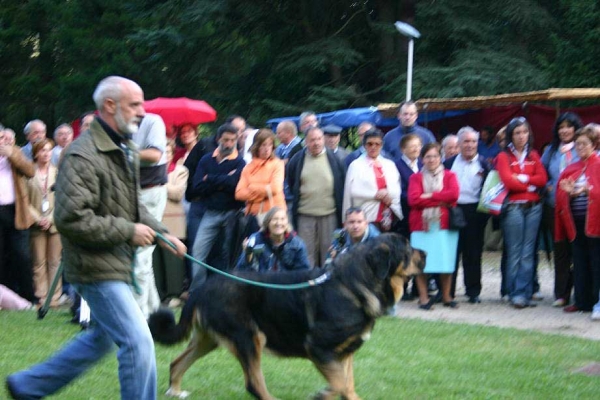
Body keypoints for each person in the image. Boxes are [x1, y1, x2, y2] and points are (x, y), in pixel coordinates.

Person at [5, 76, 186, 400]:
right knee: (138, 341)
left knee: (101, 338)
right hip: (94, 268)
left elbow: (129, 207)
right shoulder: (82, 155)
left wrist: (161, 233)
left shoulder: (124, 149)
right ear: (110, 106)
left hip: (115, 263)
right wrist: (129, 231)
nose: (142, 112)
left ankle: (28, 385)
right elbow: (72, 219)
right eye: (135, 104)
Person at [496, 117, 547, 309]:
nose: (521, 136)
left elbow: (542, 179)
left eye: (524, 132)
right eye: (517, 133)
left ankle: (524, 292)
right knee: (515, 252)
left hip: (534, 208)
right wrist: (530, 183)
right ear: (511, 135)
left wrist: (523, 178)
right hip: (513, 208)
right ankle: (513, 292)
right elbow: (508, 182)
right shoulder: (503, 157)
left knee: (528, 253)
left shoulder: (533, 155)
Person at [190, 123, 245, 290]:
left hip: (232, 214)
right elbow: (197, 187)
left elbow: (236, 185)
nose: (228, 144)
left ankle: (227, 290)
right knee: (198, 252)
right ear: (218, 139)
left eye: (232, 140)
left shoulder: (240, 162)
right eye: (226, 140)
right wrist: (223, 181)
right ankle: (196, 291)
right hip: (211, 212)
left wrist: (211, 178)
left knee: (227, 254)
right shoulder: (206, 160)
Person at [408, 142, 460, 310]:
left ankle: (446, 296)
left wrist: (429, 195)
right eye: (428, 156)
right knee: (421, 263)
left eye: (435, 156)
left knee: (446, 261)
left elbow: (453, 195)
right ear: (422, 159)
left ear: (441, 157)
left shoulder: (450, 175)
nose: (431, 159)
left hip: (444, 226)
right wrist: (441, 199)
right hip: (421, 226)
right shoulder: (415, 178)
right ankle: (423, 298)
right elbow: (413, 200)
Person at [555, 125, 600, 314]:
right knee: (579, 263)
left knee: (596, 264)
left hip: (596, 225)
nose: (580, 148)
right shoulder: (571, 168)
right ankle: (582, 301)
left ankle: (597, 302)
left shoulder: (598, 166)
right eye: (578, 144)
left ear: (594, 145)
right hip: (576, 224)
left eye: (584, 144)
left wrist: (587, 189)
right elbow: (560, 198)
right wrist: (568, 194)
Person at [444, 127, 492, 304]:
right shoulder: (448, 164)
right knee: (451, 252)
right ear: (459, 143)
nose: (470, 145)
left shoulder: (484, 164)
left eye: (473, 141)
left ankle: (473, 291)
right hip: (453, 210)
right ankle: (448, 291)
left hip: (475, 212)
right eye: (466, 141)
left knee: (473, 253)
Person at [287, 126, 346, 267]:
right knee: (306, 255)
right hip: (304, 216)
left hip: (329, 215)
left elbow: (341, 185)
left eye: (319, 139)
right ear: (305, 141)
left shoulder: (335, 159)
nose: (317, 143)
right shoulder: (296, 160)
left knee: (329, 254)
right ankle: (308, 285)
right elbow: (291, 183)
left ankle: (327, 286)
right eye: (312, 140)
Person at [541, 112, 583, 307]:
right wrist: (548, 185)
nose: (564, 130)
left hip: (577, 208)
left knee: (579, 250)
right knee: (560, 250)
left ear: (576, 129)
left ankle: (581, 291)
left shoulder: (582, 149)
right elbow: (541, 175)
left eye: (568, 126)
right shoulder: (550, 151)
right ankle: (561, 294)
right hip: (554, 207)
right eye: (561, 127)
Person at [132, 113, 168, 317]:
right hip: (132, 192)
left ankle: (138, 319)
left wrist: (120, 153)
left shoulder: (152, 121)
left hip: (150, 190)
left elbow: (154, 155)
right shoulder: (119, 125)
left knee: (140, 257)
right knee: (142, 258)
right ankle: (154, 313)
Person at [0, 128, 36, 304]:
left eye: (2, 137)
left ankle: (28, 296)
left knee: (22, 254)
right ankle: (6, 298)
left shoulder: (15, 151)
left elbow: (30, 171)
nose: (1, 141)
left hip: (16, 211)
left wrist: (11, 155)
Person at [27, 138, 64, 307]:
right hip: (36, 224)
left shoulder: (58, 172)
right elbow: (24, 201)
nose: (46, 153)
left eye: (49, 150)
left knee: (55, 261)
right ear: (35, 153)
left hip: (55, 224)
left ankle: (55, 298)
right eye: (42, 150)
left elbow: (63, 199)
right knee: (38, 262)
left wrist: (50, 219)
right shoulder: (28, 172)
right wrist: (38, 219)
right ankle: (41, 297)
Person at [343, 128, 402, 232]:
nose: (373, 147)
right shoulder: (355, 165)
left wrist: (387, 194)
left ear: (382, 145)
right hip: (365, 217)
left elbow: (397, 188)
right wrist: (375, 194)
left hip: (388, 216)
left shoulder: (390, 164)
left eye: (377, 144)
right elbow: (351, 192)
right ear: (364, 145)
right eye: (370, 144)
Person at [235, 206, 311, 272]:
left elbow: (303, 272)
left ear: (287, 223)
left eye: (282, 219)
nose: (279, 223)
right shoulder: (255, 240)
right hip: (262, 285)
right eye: (275, 219)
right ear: (267, 223)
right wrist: (248, 255)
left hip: (287, 286)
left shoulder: (297, 244)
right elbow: (242, 271)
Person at [236, 128, 286, 222]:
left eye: (270, 144)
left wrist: (253, 187)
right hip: (254, 215)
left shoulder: (277, 164)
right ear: (257, 146)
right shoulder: (248, 168)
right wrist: (265, 192)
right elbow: (239, 193)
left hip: (275, 216)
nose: (267, 149)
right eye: (263, 145)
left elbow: (275, 188)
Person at [394, 134, 423, 238]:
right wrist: (417, 199)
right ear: (403, 149)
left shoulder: (423, 164)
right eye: (412, 146)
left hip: (424, 213)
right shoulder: (395, 166)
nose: (416, 149)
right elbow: (398, 190)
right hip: (406, 212)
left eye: (418, 146)